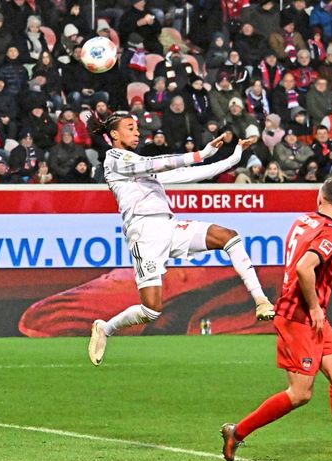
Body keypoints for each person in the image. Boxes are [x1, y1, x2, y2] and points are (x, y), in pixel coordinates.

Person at [86, 111, 276, 366]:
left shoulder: (138, 165)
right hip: (144, 235)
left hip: (168, 226)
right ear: (114, 135)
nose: (137, 132)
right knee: (152, 309)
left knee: (228, 236)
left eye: (137, 128)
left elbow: (187, 174)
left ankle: (261, 301)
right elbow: (158, 164)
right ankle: (105, 328)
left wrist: (234, 157)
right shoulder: (115, 160)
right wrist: (201, 154)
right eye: (130, 128)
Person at [221, 177, 332, 461]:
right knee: (300, 393)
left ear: (319, 198)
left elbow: (307, 266)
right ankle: (237, 433)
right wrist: (314, 308)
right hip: (300, 316)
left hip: (309, 316)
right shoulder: (331, 234)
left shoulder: (301, 222)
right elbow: (303, 268)